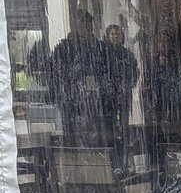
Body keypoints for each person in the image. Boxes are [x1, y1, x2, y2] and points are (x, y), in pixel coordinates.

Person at [48, 9, 108, 148]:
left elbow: (106, 71)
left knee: (96, 139)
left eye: (88, 24)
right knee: (72, 138)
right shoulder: (63, 48)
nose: (84, 28)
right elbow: (56, 73)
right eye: (81, 24)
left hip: (95, 101)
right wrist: (75, 77)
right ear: (74, 25)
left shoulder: (100, 47)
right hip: (71, 101)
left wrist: (98, 83)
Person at [101, 24, 139, 170]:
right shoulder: (103, 54)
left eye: (117, 34)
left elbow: (134, 74)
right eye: (112, 34)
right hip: (108, 99)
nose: (115, 37)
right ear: (108, 36)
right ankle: (113, 163)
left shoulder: (127, 55)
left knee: (123, 129)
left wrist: (127, 85)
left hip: (123, 98)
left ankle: (124, 161)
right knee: (110, 130)